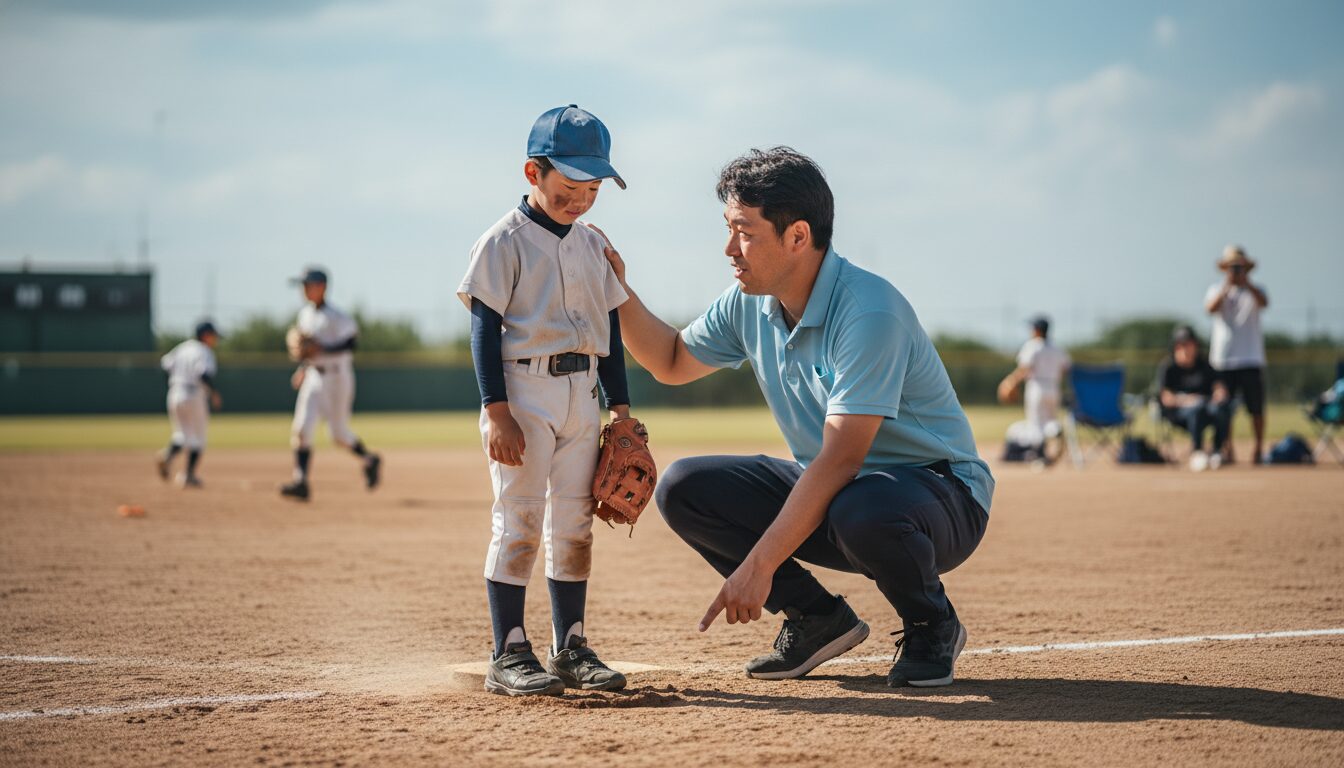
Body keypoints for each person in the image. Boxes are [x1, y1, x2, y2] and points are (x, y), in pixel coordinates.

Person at [596, 147, 992, 688]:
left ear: (798, 236)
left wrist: (758, 566)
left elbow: (841, 458)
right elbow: (669, 360)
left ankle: (931, 624)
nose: (729, 249)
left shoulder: (869, 311)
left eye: (745, 232)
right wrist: (616, 293)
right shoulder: (748, 302)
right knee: (686, 487)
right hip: (842, 495)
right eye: (728, 229)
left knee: (862, 506)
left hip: (939, 498)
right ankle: (816, 618)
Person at [457, 105, 634, 697]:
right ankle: (507, 651)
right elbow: (484, 327)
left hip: (582, 392)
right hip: (523, 390)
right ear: (533, 173)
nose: (581, 199)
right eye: (569, 187)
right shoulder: (503, 240)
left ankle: (571, 646)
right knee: (520, 519)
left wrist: (622, 411)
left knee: (575, 522)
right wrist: (495, 408)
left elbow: (609, 333)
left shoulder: (592, 246)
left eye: (592, 189)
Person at [279, 268, 381, 501]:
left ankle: (370, 460)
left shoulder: (337, 316)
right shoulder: (305, 314)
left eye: (308, 284)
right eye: (302, 285)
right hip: (314, 377)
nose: (303, 289)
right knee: (301, 429)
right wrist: (303, 368)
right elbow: (309, 350)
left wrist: (322, 348)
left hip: (338, 377)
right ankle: (301, 481)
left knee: (338, 434)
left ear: (322, 286)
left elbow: (351, 343)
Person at [1205, 244, 1269, 463]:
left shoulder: (1255, 290)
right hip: (1224, 360)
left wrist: (1247, 284)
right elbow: (1210, 309)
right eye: (1231, 267)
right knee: (1225, 409)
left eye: (1239, 267)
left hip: (1251, 358)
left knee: (1256, 408)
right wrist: (1227, 287)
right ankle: (1227, 448)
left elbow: (1264, 303)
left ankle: (1258, 449)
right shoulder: (1217, 289)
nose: (1235, 272)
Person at [156, 321, 223, 488]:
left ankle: (167, 455)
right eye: (214, 336)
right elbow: (203, 374)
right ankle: (188, 476)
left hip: (175, 392)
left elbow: (165, 364)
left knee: (181, 434)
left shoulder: (183, 347)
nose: (215, 340)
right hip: (194, 394)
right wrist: (214, 393)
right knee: (198, 437)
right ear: (206, 335)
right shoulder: (205, 351)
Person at [1156, 325, 1231, 471]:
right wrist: (1187, 401)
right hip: (1179, 413)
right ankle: (1197, 452)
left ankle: (1216, 451)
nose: (1186, 348)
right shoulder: (1169, 367)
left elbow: (1218, 385)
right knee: (1196, 408)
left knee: (1222, 407)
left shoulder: (1204, 365)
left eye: (1189, 344)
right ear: (1176, 347)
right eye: (1182, 345)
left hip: (1206, 407)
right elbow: (1166, 398)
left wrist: (1219, 393)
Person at [998, 315, 1070, 457]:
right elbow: (1067, 368)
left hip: (1037, 386)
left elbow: (1024, 368)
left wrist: (1010, 382)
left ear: (1037, 330)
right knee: (1050, 421)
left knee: (1035, 424)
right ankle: (1056, 430)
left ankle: (1039, 454)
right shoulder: (1057, 348)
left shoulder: (1032, 345)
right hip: (1054, 387)